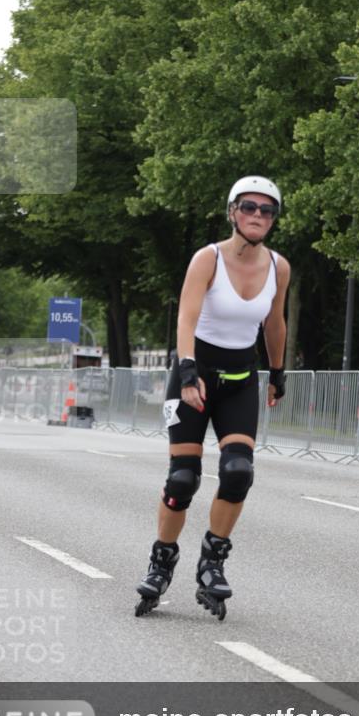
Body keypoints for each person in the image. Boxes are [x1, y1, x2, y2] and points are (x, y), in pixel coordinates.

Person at [135, 176, 291, 621]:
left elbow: (274, 323)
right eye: (249, 207)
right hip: (194, 376)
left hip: (241, 380)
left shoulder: (279, 266)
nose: (258, 215)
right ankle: (161, 561)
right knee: (182, 480)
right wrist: (186, 369)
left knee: (238, 471)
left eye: (267, 210)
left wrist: (278, 372)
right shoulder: (209, 258)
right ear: (232, 212)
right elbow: (187, 316)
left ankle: (212, 562)